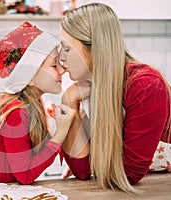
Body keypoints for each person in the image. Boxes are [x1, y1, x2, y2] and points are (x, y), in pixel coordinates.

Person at [58, 3, 171, 193]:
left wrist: (95, 163)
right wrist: (68, 100)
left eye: (67, 49)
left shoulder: (145, 86)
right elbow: (82, 171)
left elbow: (128, 175)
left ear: (95, 48)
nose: (61, 57)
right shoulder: (90, 86)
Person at [0, 22, 75, 186]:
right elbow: (25, 175)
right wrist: (60, 133)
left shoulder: (31, 103)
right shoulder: (16, 111)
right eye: (54, 65)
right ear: (29, 76)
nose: (62, 70)